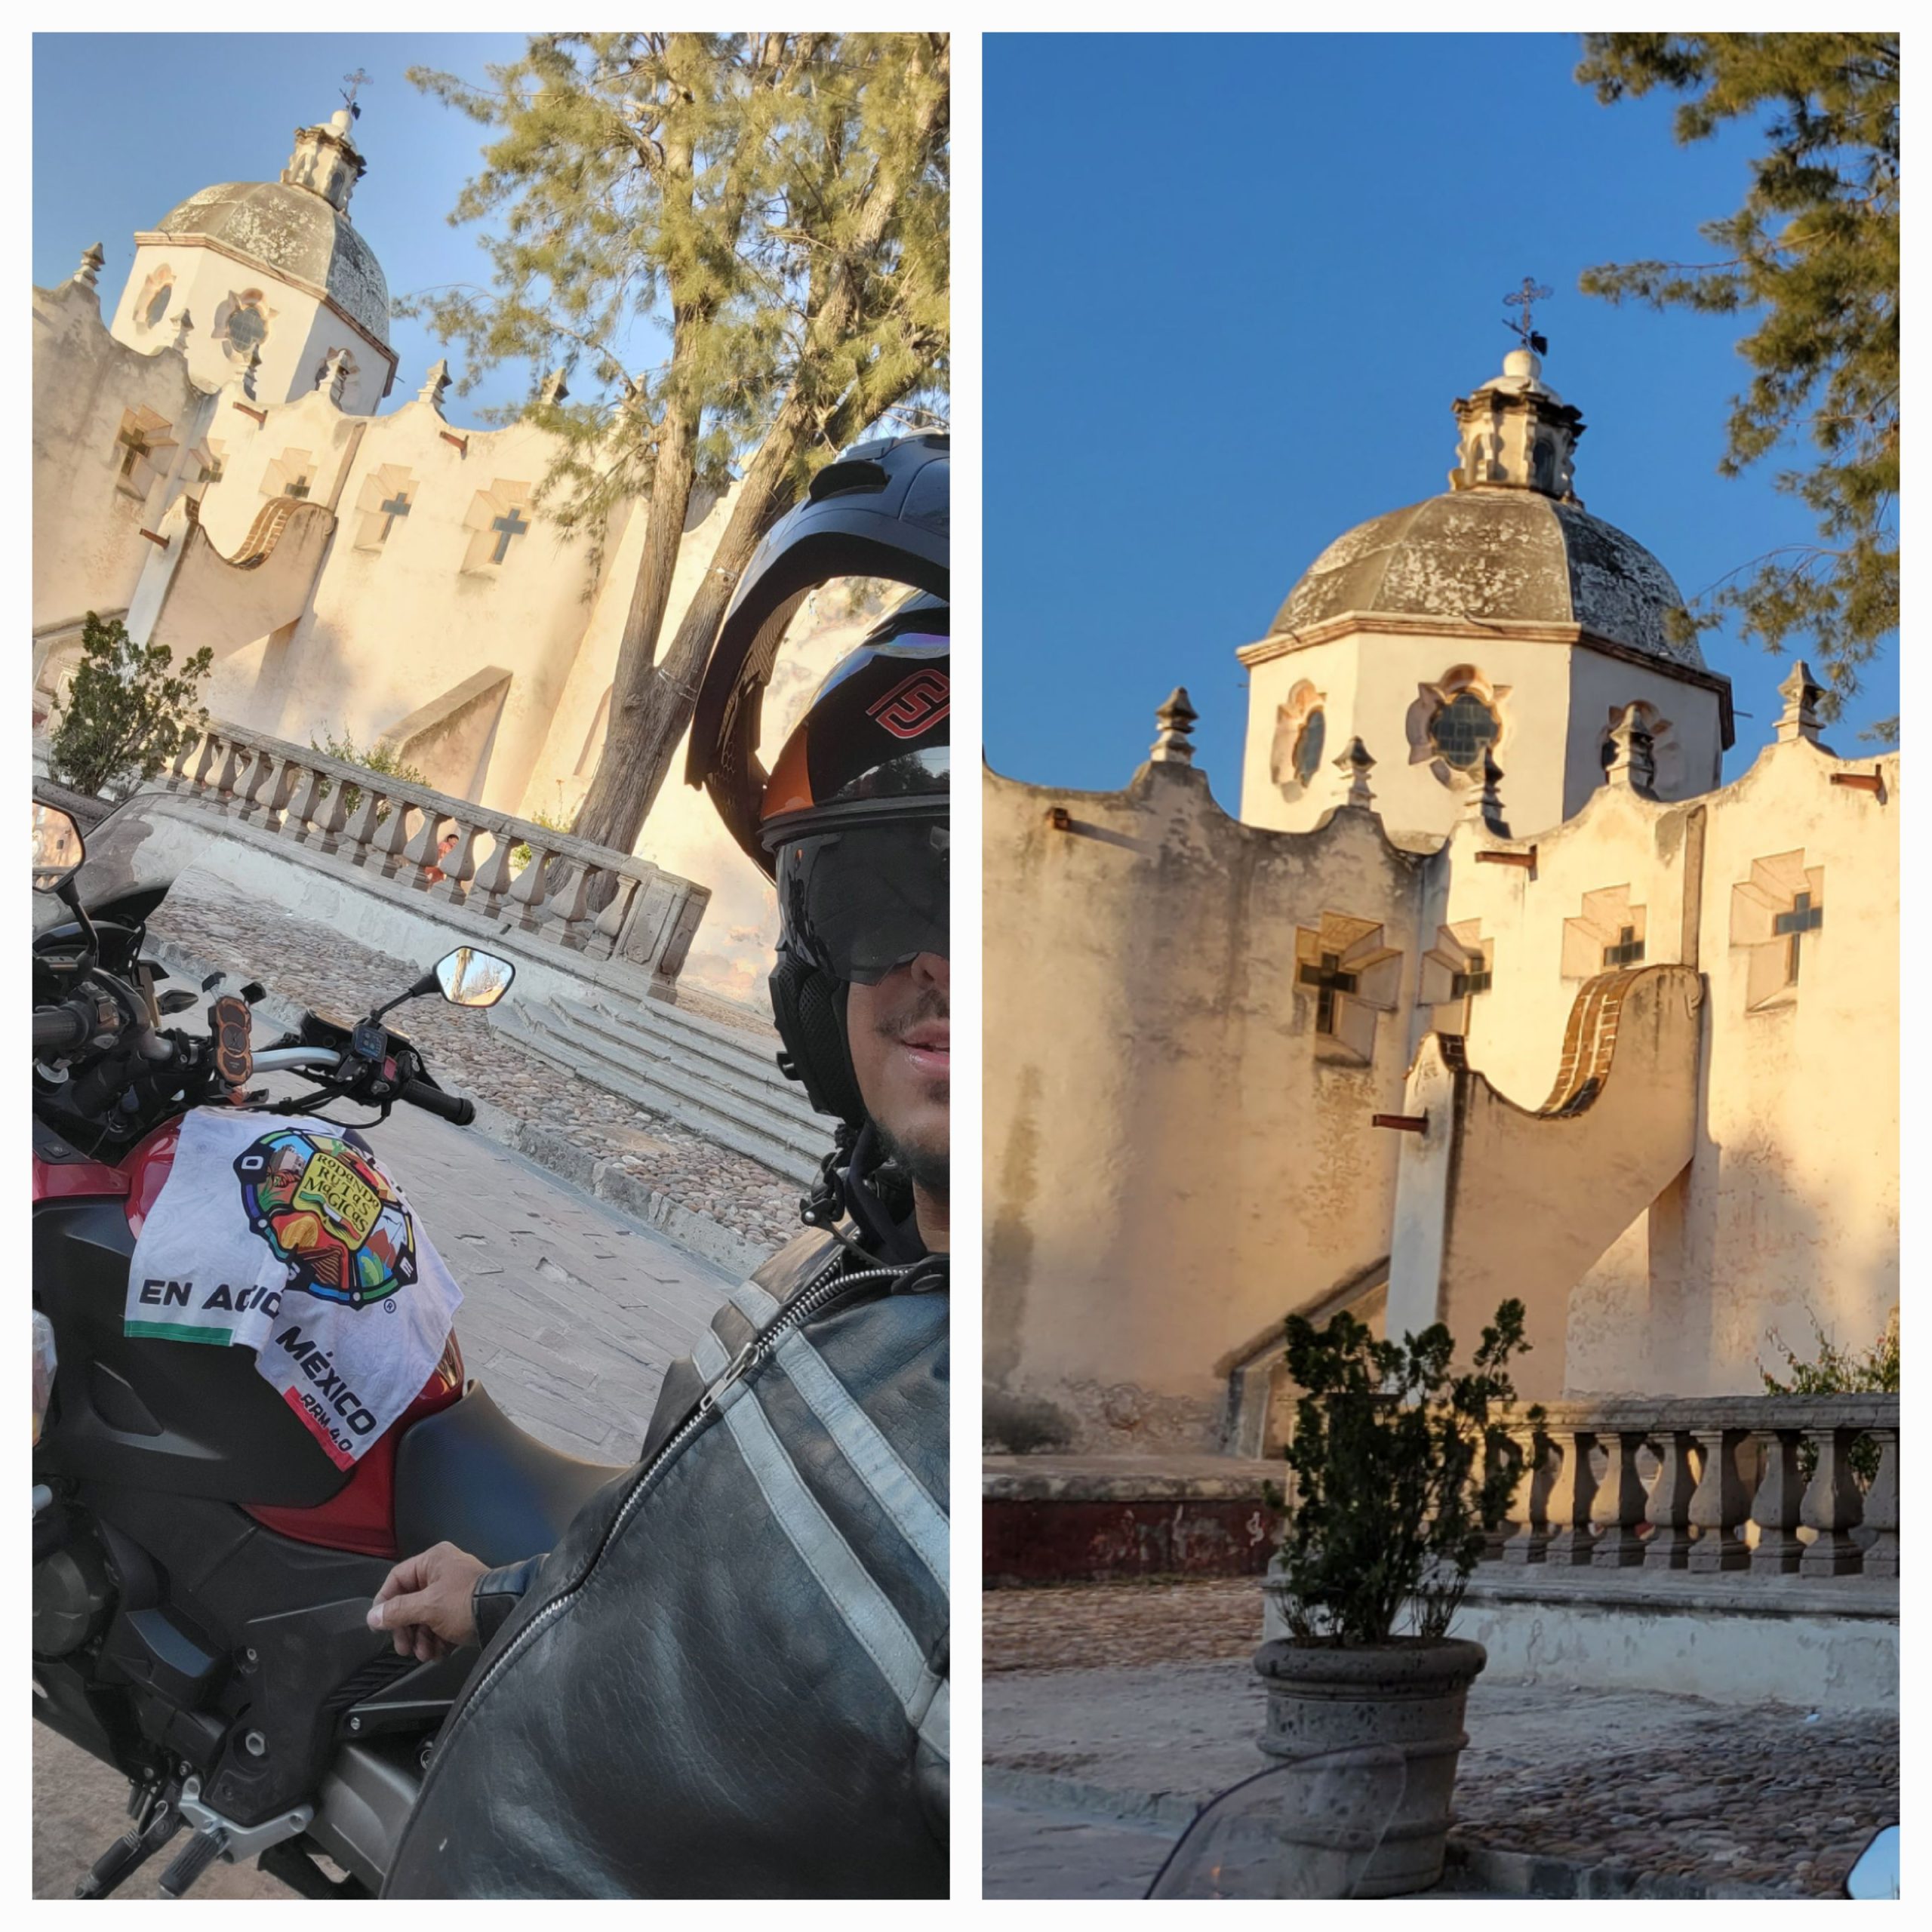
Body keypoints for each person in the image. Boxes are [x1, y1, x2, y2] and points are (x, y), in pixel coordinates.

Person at [373, 432, 950, 1899]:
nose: (944, 971)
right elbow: (689, 1567)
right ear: (814, 975)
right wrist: (508, 1597)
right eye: (885, 891)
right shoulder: (839, 1263)